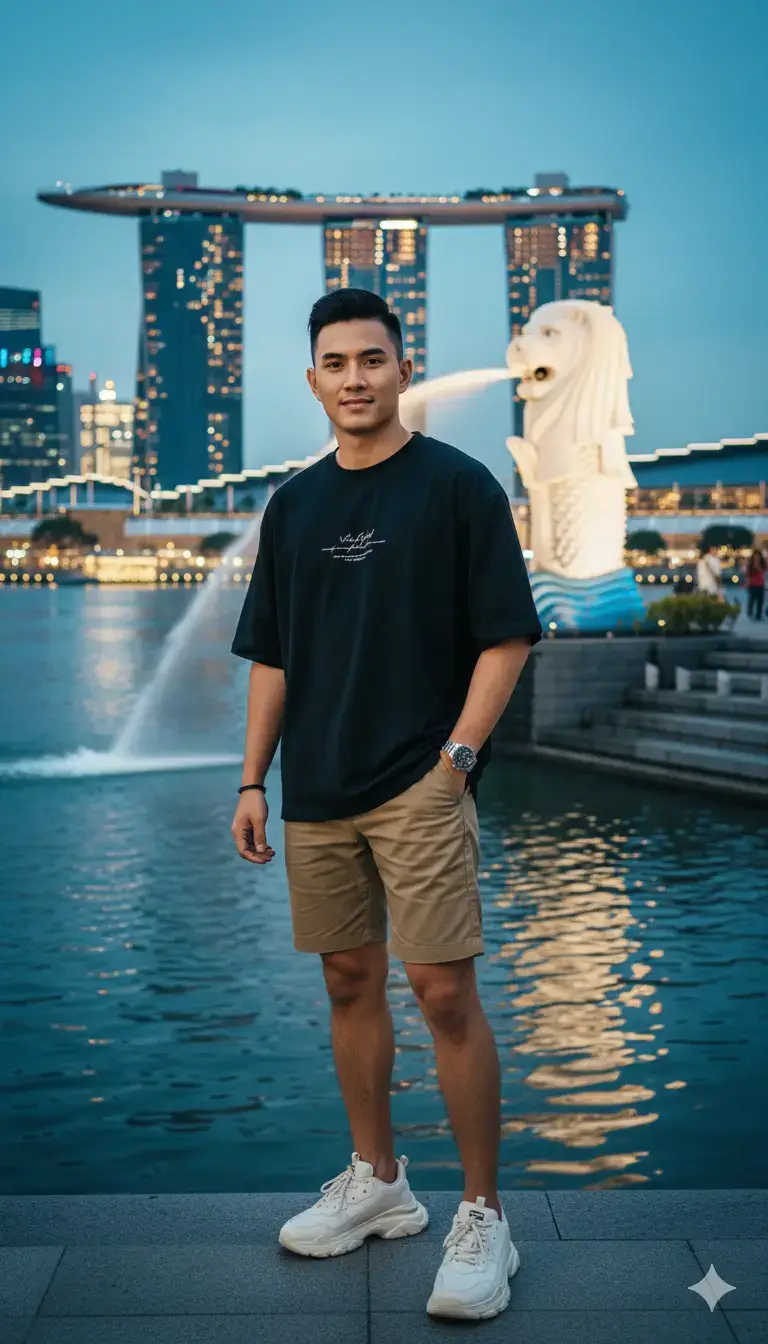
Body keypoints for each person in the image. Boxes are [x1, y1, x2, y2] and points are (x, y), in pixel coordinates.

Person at [231, 288, 542, 1322]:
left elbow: (508, 636)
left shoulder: (457, 488)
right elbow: (270, 657)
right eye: (337, 362)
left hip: (422, 781)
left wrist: (455, 761)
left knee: (444, 993)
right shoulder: (295, 505)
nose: (356, 377)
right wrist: (251, 780)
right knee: (349, 981)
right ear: (313, 380)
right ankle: (379, 1182)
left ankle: (484, 1219)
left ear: (405, 370)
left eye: (374, 358)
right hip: (317, 787)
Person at [745, 547, 767, 619]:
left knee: (760, 601)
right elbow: (748, 574)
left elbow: (763, 573)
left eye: (758, 556)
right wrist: (747, 583)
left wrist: (758, 567)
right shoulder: (750, 564)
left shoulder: (763, 564)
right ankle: (750, 612)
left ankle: (758, 615)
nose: (756, 558)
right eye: (755, 556)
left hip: (760, 584)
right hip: (752, 584)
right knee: (751, 599)